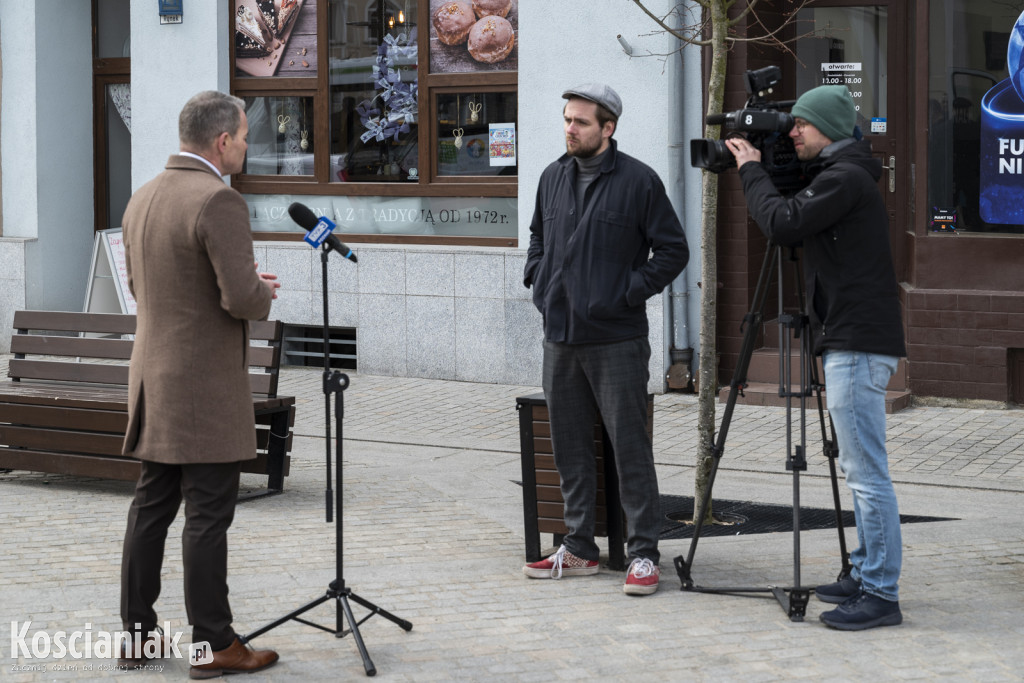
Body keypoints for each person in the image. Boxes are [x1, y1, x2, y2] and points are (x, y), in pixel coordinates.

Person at [724, 84, 906, 630]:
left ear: (826, 126)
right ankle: (864, 571)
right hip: (850, 336)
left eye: (800, 124)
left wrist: (751, 169)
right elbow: (794, 218)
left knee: (866, 473)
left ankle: (880, 593)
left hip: (855, 340)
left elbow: (781, 224)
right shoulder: (841, 176)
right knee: (859, 470)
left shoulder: (845, 179)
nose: (793, 132)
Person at [118, 90, 282, 676]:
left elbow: (148, 287)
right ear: (221, 141)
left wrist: (234, 284)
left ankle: (137, 633)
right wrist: (262, 293)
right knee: (208, 515)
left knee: (151, 507)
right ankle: (214, 643)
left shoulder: (142, 197)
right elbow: (241, 298)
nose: (246, 145)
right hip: (202, 387)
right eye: (243, 136)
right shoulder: (218, 199)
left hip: (152, 378)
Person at [522, 83, 689, 596]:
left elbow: (672, 250)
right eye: (567, 120)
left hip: (616, 338)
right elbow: (538, 238)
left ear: (607, 128)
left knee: (629, 446)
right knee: (569, 444)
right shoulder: (552, 176)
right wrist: (538, 278)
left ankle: (643, 555)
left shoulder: (639, 181)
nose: (570, 129)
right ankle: (578, 548)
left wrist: (626, 291)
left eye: (581, 122)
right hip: (561, 336)